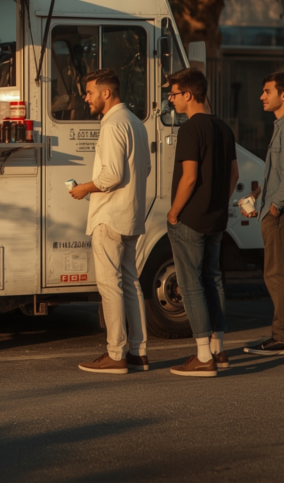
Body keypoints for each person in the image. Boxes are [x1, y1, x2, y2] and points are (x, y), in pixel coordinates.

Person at [69, 69, 151, 375]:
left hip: (109, 216)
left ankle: (115, 354)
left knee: (110, 285)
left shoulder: (113, 124)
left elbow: (112, 175)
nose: (86, 97)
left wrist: (84, 188)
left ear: (107, 93)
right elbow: (145, 168)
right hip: (129, 215)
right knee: (131, 283)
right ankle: (138, 353)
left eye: (90, 92)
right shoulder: (135, 123)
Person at [166, 68, 238, 377]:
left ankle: (202, 356)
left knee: (190, 284)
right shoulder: (224, 128)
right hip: (217, 217)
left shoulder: (190, 129)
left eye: (173, 94)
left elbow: (190, 177)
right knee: (213, 279)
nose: (171, 100)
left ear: (189, 94)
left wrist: (174, 211)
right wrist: (219, 202)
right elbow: (234, 175)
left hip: (191, 218)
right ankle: (219, 350)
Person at [243, 72, 284, 356]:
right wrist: (257, 196)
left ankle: (280, 337)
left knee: (275, 275)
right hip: (272, 210)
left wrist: (275, 206)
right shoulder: (278, 126)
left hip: (278, 215)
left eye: (267, 91)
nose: (262, 96)